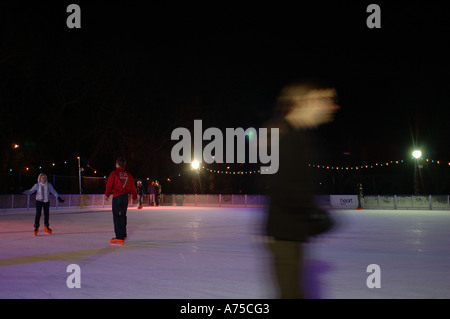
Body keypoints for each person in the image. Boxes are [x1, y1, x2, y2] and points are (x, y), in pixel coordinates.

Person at [265, 78, 339, 298]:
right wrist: (314, 215)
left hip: (292, 235)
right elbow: (279, 187)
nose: (333, 106)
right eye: (325, 99)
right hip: (286, 237)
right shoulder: (287, 138)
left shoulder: (295, 137)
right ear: (302, 102)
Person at [105, 157, 137, 245]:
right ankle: (123, 234)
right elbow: (132, 187)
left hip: (117, 197)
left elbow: (109, 184)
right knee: (123, 215)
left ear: (117, 164)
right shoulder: (128, 174)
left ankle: (119, 236)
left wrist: (107, 194)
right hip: (125, 197)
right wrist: (134, 196)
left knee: (116, 216)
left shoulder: (114, 173)